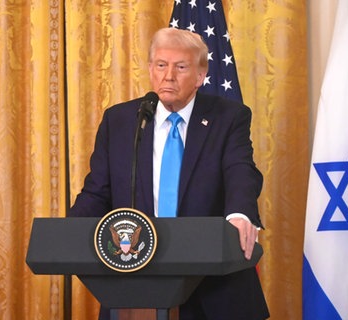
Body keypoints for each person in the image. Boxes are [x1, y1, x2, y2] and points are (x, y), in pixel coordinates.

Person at [69, 27, 269, 320]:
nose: (168, 75)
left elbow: (241, 171)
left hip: (213, 290)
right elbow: (98, 191)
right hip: (135, 288)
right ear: (150, 69)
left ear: (201, 76)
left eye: (181, 66)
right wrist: (68, 233)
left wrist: (240, 214)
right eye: (161, 65)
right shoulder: (122, 120)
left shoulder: (229, 117)